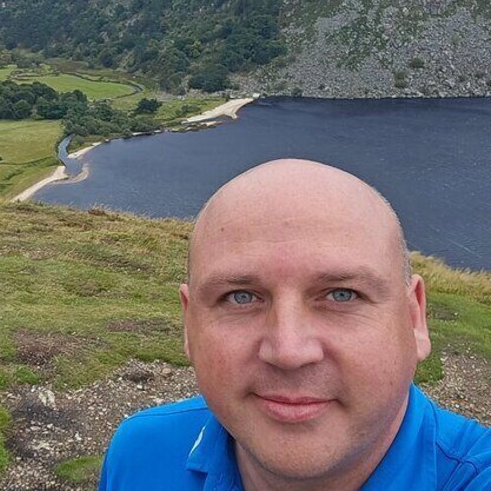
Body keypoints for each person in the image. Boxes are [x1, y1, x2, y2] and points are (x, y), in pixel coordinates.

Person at [99, 159, 491, 490]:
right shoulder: (139, 454)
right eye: (240, 297)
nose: (288, 351)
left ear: (414, 319)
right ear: (189, 324)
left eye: (342, 294)